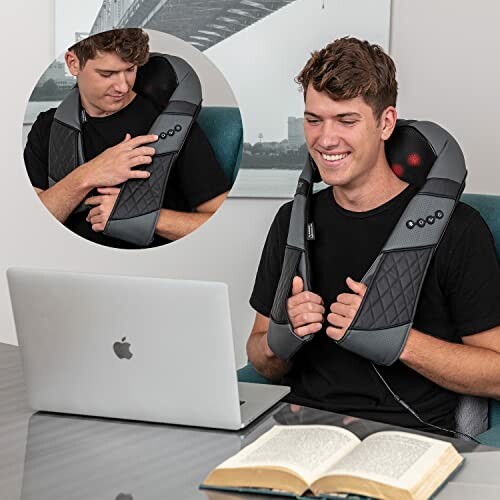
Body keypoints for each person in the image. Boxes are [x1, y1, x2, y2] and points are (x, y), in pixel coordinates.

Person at [247, 37, 500, 433]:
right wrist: (284, 335)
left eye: (346, 121)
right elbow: (260, 355)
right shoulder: (293, 221)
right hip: (300, 431)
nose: (325, 139)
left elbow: (497, 373)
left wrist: (399, 341)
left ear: (385, 123)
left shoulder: (457, 228)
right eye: (314, 120)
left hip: (407, 436)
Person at [24, 29, 231, 248]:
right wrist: (90, 174)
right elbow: (31, 224)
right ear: (73, 63)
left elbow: (219, 224)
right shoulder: (48, 127)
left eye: (130, 70)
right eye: (107, 74)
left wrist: (138, 216)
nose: (123, 86)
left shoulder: (173, 126)